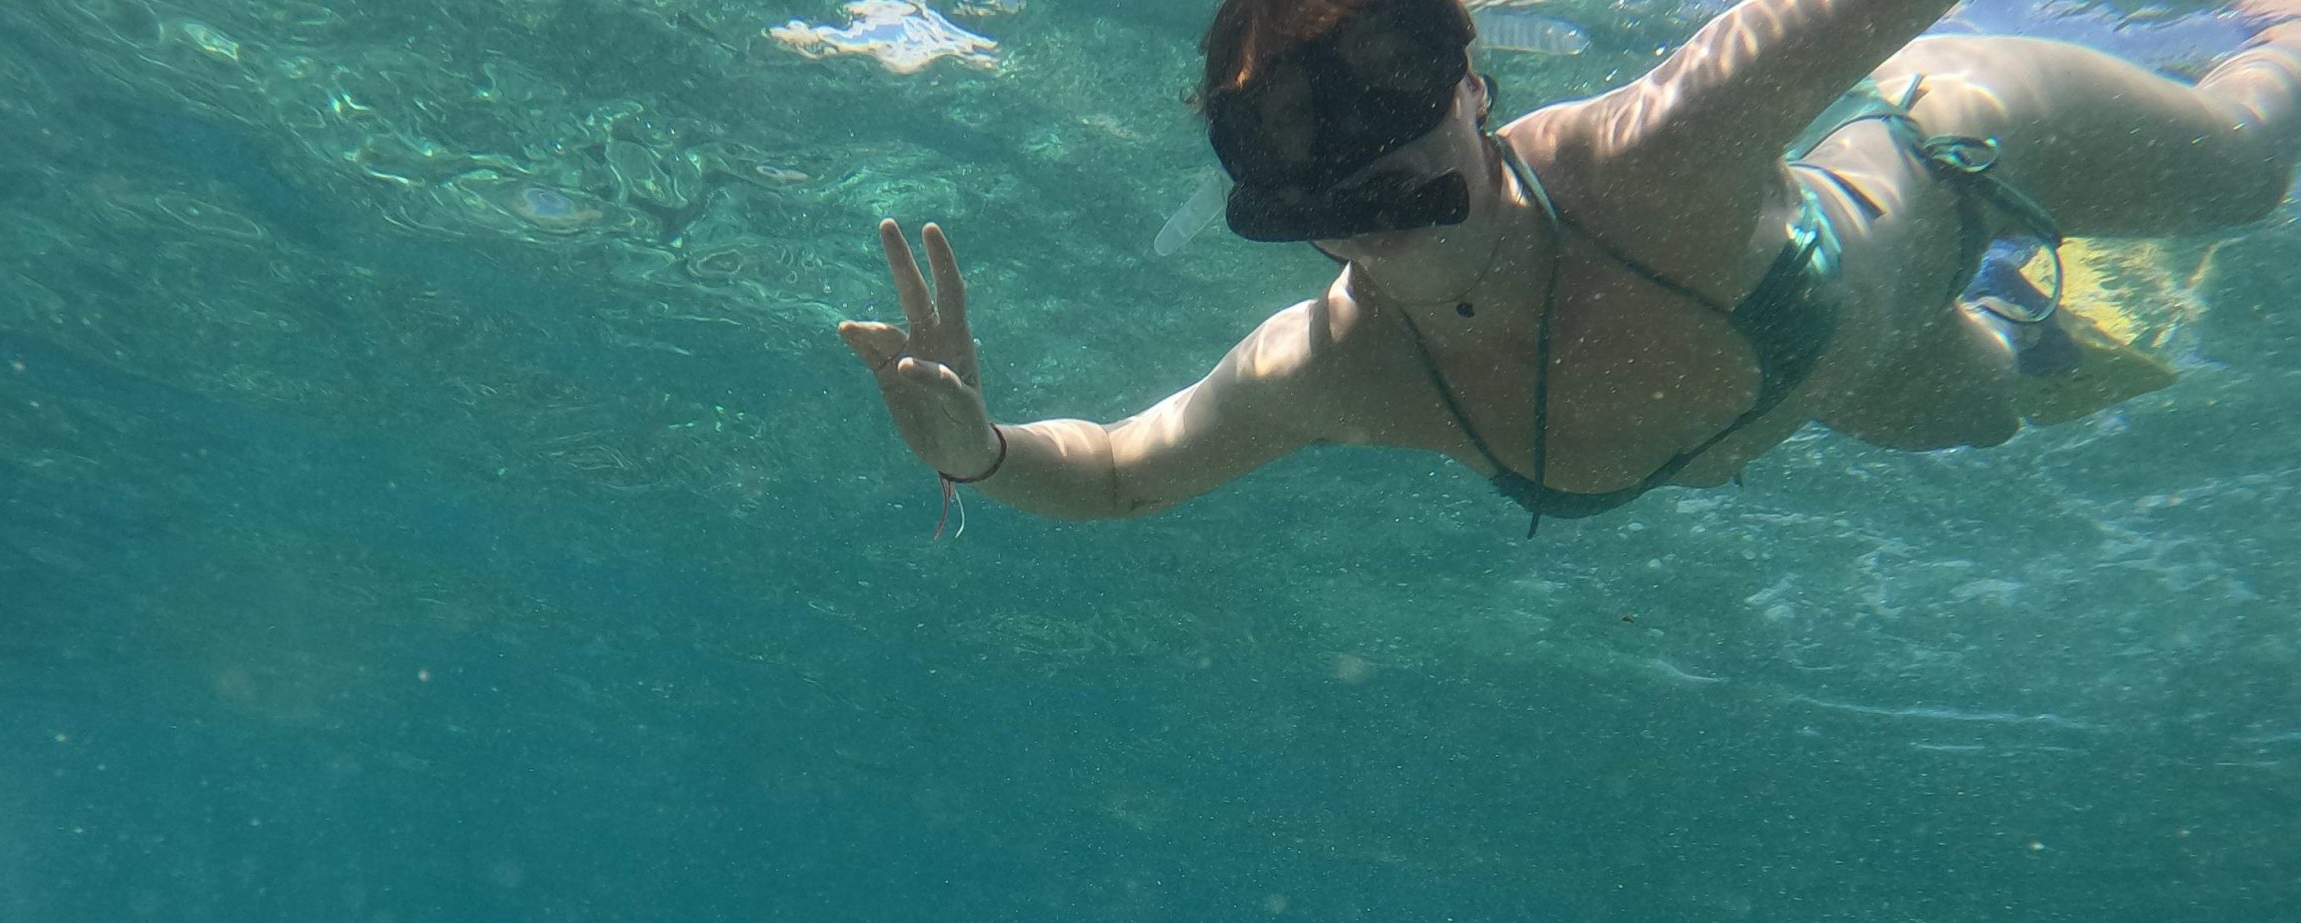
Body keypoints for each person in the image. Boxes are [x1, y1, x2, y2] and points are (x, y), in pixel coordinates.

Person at [838, 0, 2301, 532]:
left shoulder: (1653, 152)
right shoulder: (1340, 366)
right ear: (1273, 202)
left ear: (1472, 80)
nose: (1376, 177)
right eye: (1300, 149)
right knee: (1996, 409)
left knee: (2240, 176)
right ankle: (2035, 327)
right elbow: (1111, 473)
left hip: (1960, 147)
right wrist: (977, 452)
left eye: (1397, 79)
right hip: (1849, 373)